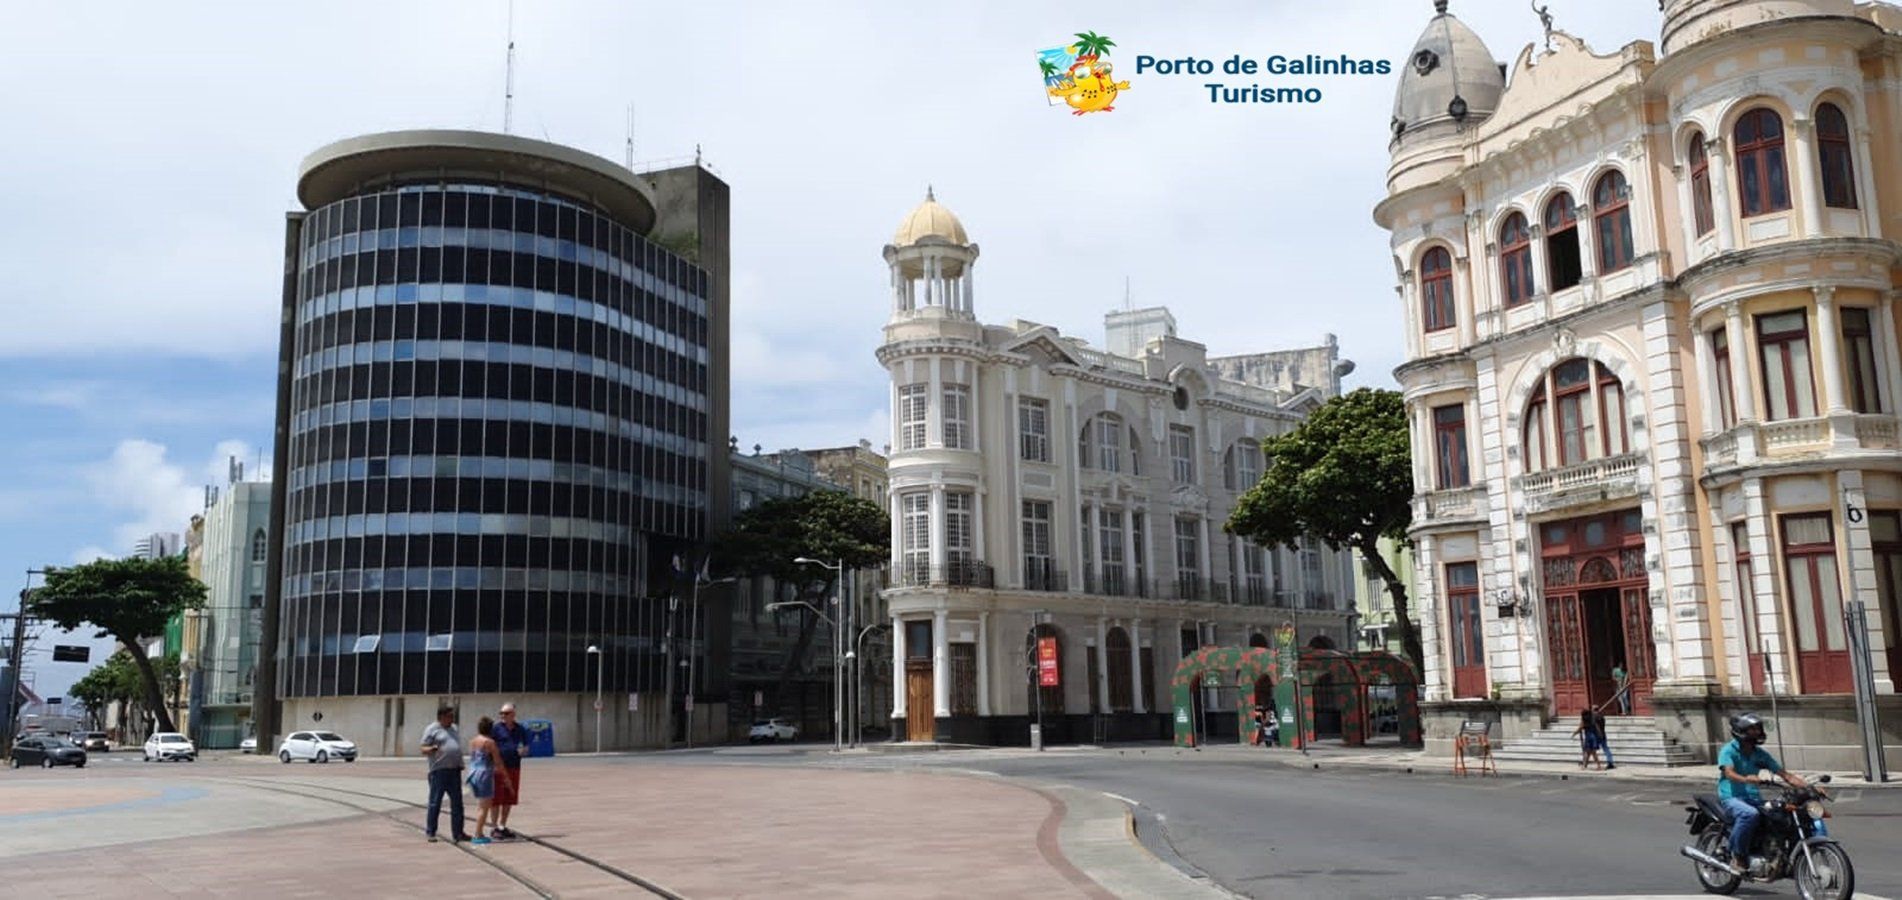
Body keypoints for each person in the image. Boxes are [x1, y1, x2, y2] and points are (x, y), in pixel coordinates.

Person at [1716, 712, 1821, 873]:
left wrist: (1810, 788)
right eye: (1752, 729)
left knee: (1781, 815)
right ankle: (1738, 855)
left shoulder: (1760, 754)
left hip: (1753, 797)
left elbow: (1786, 776)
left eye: (1758, 728)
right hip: (1731, 797)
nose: (1757, 732)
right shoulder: (1728, 750)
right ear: (1740, 730)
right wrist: (1746, 779)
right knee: (1749, 815)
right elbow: (1728, 772)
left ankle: (1777, 856)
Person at [420, 705, 470, 843]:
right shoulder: (432, 729)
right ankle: (431, 832)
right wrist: (432, 748)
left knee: (457, 803)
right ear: (441, 717)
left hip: (454, 771)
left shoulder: (454, 728)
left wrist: (460, 762)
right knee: (435, 802)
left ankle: (458, 833)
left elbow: (455, 746)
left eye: (453, 716)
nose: (452, 719)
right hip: (438, 771)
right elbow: (423, 748)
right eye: (450, 716)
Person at [466, 716, 514, 846]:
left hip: (472, 774)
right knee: (484, 807)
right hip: (484, 775)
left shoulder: (473, 741)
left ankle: (479, 831)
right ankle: (478, 834)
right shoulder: (490, 742)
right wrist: (507, 779)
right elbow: (498, 762)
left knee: (480, 805)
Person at [490, 703, 529, 840]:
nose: (502, 716)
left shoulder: (520, 729)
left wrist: (523, 751)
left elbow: (526, 746)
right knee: (496, 798)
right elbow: (490, 746)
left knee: (509, 797)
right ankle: (494, 827)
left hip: (514, 766)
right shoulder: (496, 728)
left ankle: (502, 825)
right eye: (501, 713)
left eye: (505, 713)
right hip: (498, 768)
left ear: (513, 714)